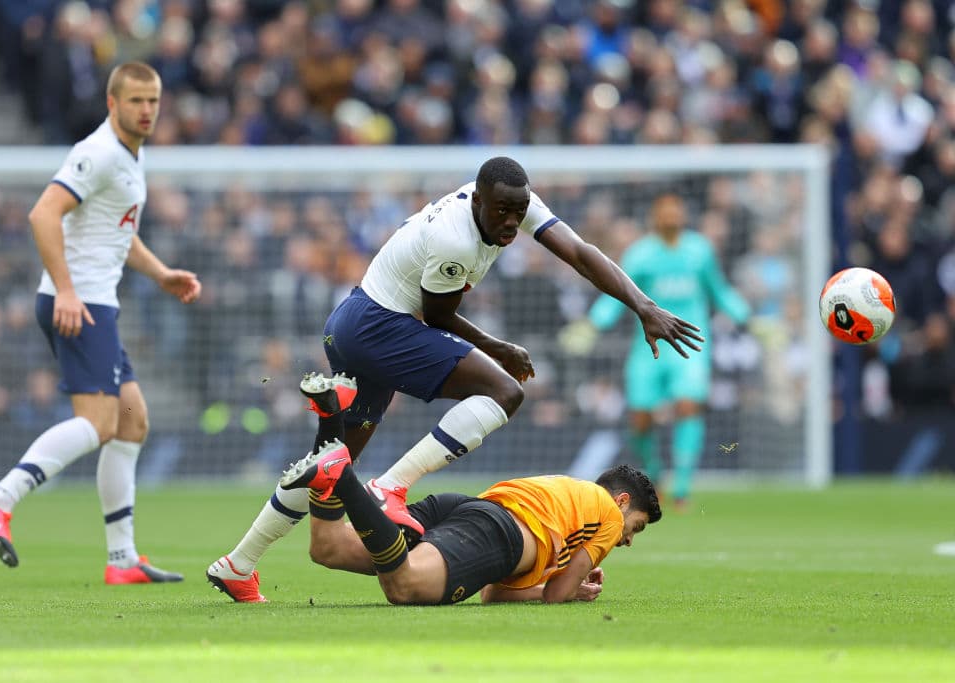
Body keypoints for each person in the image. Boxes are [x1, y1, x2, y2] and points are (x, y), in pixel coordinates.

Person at [205, 157, 699, 598]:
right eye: (501, 211)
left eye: (517, 211)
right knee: (504, 391)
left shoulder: (514, 201)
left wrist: (644, 305)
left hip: (359, 320)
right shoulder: (455, 241)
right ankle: (389, 487)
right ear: (479, 199)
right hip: (377, 324)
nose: (511, 222)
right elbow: (436, 315)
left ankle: (239, 563)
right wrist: (498, 347)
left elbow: (581, 252)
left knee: (331, 465)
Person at [0, 62, 202, 583]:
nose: (146, 110)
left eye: (153, 101)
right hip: (80, 304)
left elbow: (118, 234)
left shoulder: (130, 158)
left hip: (97, 303)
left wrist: (161, 274)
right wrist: (68, 291)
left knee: (132, 421)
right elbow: (42, 214)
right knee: (98, 424)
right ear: (112, 103)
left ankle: (122, 560)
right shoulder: (96, 154)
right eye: (136, 101)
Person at [206, 372, 661, 604]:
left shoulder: (570, 504)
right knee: (403, 588)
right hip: (494, 530)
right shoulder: (603, 512)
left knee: (327, 547)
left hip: (470, 515)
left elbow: (494, 593)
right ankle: (341, 472)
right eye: (635, 527)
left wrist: (552, 580)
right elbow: (559, 594)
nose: (627, 540)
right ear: (622, 500)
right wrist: (574, 587)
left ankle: (330, 426)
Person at [581, 192, 749, 510]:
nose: (671, 217)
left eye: (676, 211)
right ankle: (655, 471)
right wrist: (593, 323)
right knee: (641, 419)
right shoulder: (641, 255)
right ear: (654, 217)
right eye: (664, 212)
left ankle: (682, 486)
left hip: (690, 343)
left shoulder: (699, 251)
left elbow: (719, 291)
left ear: (683, 215)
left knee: (688, 406)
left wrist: (748, 317)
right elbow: (619, 292)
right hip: (649, 346)